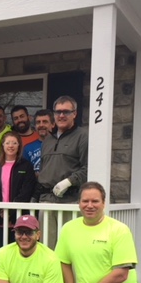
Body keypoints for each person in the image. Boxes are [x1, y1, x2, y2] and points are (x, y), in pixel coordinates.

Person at [33, 96, 88, 247]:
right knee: (46, 247)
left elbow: (88, 167)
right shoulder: (47, 141)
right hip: (46, 201)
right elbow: (44, 171)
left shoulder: (83, 137)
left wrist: (69, 181)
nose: (61, 115)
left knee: (68, 247)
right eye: (58, 112)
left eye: (66, 112)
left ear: (74, 114)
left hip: (69, 201)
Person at [0, 131, 36, 244]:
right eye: (7, 143)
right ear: (2, 145)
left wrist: (11, 211)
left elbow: (27, 190)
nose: (11, 146)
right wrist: (0, 210)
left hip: (18, 215)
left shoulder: (26, 165)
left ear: (19, 146)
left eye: (14, 143)